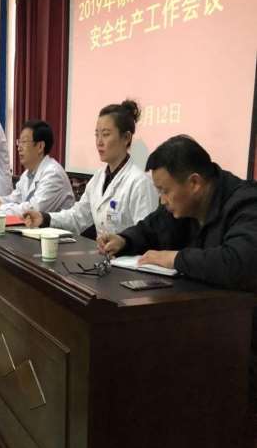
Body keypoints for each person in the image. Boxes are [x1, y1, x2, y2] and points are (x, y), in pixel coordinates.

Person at [97, 134, 257, 416]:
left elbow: (240, 263)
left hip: (241, 341)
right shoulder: (180, 205)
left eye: (165, 191)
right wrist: (124, 239)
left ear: (194, 183)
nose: (162, 200)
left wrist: (175, 258)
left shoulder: (246, 204)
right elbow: (150, 227)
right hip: (198, 325)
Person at [23, 99, 158, 237]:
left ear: (126, 137)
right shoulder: (98, 178)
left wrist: (123, 242)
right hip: (101, 250)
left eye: (105, 134)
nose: (99, 142)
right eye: (97, 135)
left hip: (127, 252)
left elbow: (147, 236)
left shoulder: (140, 183)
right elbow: (77, 217)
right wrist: (45, 218)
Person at [0, 120, 75, 216]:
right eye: (19, 142)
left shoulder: (53, 174)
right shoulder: (27, 173)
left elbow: (34, 210)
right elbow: (15, 199)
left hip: (55, 226)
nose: (19, 148)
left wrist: (0, 208)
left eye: (24, 142)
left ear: (40, 146)